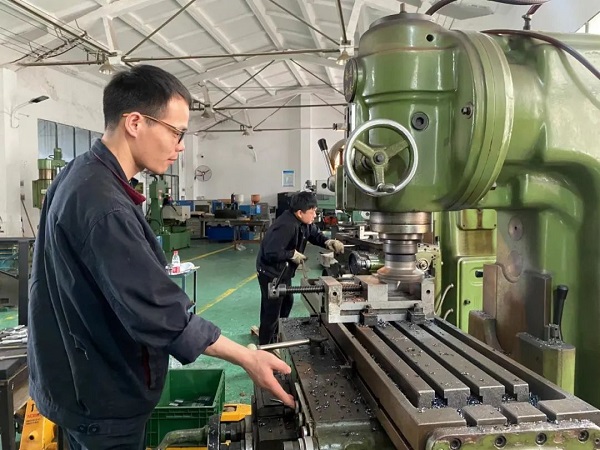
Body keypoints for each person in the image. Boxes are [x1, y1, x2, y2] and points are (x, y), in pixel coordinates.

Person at [28, 65, 294, 450]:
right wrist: (248, 358)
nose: (181, 145)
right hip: (103, 395)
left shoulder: (80, 174)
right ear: (135, 123)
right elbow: (157, 313)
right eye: (176, 132)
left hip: (76, 378)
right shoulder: (104, 204)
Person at [256, 191, 344, 345]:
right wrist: (291, 254)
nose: (315, 215)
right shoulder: (286, 226)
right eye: (312, 212)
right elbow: (270, 251)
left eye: (315, 211)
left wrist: (328, 242)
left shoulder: (304, 222)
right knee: (272, 312)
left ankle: (277, 336)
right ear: (299, 213)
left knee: (286, 303)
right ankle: (265, 345)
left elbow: (314, 234)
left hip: (283, 272)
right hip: (271, 273)